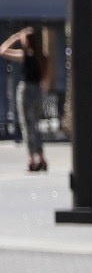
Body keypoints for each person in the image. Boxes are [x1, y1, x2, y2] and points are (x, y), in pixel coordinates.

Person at [1, 26, 53, 173]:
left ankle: (32, 160)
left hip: (26, 91)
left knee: (27, 127)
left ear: (26, 41)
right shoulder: (42, 57)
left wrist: (14, 37)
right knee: (35, 126)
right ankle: (41, 158)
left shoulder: (25, 56)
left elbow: (2, 50)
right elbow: (46, 80)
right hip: (38, 92)